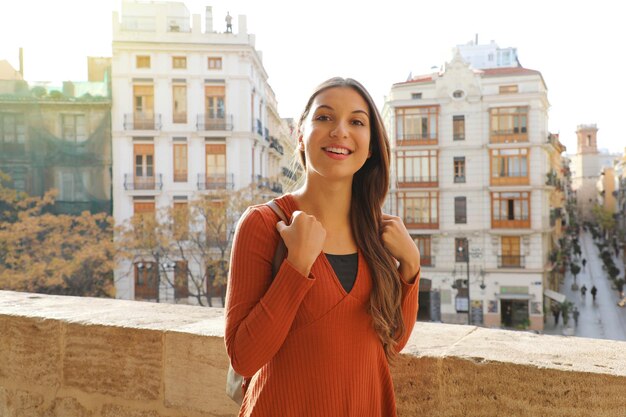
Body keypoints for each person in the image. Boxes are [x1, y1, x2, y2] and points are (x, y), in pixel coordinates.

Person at [225, 78, 420, 416]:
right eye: (324, 118)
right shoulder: (262, 224)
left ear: (371, 145)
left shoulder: (378, 234)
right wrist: (296, 267)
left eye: (356, 122)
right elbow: (244, 357)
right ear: (299, 133)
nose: (340, 131)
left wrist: (411, 268)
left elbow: (392, 343)